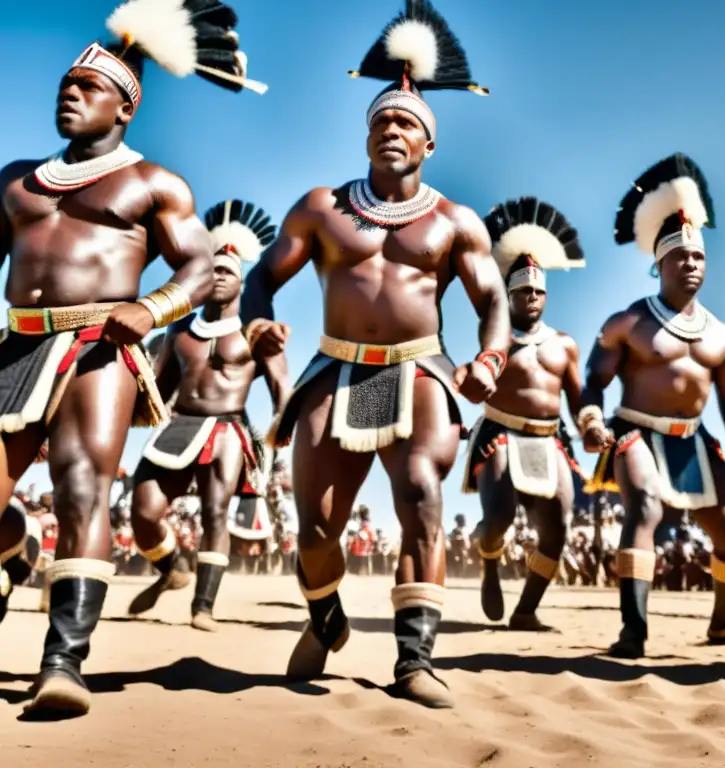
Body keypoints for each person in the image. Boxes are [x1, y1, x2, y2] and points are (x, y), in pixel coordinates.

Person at [240, 0, 507, 709]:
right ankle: (326, 620)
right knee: (318, 526)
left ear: (428, 145)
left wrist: (488, 361)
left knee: (420, 491)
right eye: (383, 121)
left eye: (408, 124)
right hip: (336, 365)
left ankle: (415, 657)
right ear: (367, 136)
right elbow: (261, 278)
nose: (394, 129)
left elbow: (494, 304)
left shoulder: (456, 221)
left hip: (421, 365)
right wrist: (258, 323)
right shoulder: (322, 208)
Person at [0, 0, 263, 716]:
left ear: (125, 108)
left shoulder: (155, 183)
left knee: (83, 486)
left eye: (88, 87)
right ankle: (15, 551)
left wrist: (149, 310)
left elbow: (201, 270)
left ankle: (63, 662)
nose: (70, 92)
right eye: (65, 83)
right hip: (16, 344)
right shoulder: (16, 180)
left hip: (99, 345)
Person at [580, 153, 725, 658]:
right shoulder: (627, 323)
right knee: (645, 506)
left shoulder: (722, 336)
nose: (691, 264)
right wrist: (592, 419)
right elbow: (593, 381)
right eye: (680, 257)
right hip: (636, 430)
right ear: (658, 264)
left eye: (699, 257)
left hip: (694, 440)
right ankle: (633, 631)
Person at [128, 199, 288, 631]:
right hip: (177, 425)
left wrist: (284, 427)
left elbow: (281, 388)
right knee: (143, 510)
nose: (218, 277)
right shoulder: (178, 331)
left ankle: (203, 606)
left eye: (227, 273)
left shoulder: (257, 333)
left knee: (217, 513)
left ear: (241, 283)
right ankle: (171, 567)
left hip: (229, 429)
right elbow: (156, 391)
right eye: (213, 270)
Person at [464, 196, 587, 631]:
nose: (532, 297)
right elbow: (479, 374)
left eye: (538, 290)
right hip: (500, 432)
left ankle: (527, 609)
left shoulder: (565, 344)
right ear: (509, 293)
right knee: (497, 519)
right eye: (522, 290)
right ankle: (490, 565)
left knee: (557, 529)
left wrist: (591, 422)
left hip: (549, 438)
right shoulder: (496, 335)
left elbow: (579, 395)